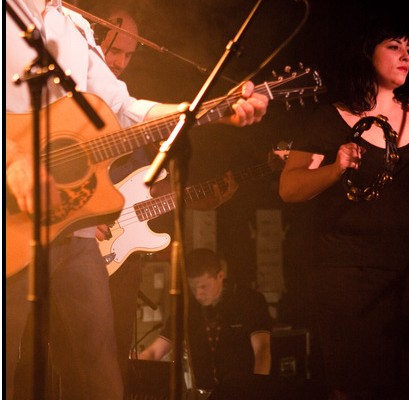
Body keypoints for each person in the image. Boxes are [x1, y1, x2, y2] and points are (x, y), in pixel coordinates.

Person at [5, 0, 269, 399]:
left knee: (100, 378)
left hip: (73, 234)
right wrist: (13, 157)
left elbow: (123, 109)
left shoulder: (74, 25)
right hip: (13, 228)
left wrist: (202, 112)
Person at [278, 15, 409, 400]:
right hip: (349, 275)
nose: (406, 55)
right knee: (354, 383)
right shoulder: (329, 119)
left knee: (408, 383)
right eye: (394, 47)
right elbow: (290, 188)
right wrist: (334, 167)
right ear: (366, 55)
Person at [90, 6, 241, 392]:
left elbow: (147, 185)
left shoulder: (122, 103)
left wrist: (189, 198)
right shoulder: (69, 98)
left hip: (122, 258)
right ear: (90, 39)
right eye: (114, 51)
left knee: (114, 352)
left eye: (129, 54)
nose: (120, 62)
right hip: (76, 242)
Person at [139, 248, 273, 397]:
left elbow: (262, 351)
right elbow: (156, 351)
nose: (198, 294)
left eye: (204, 286)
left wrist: (258, 391)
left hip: (243, 392)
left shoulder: (248, 301)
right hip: (203, 394)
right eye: (193, 287)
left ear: (220, 276)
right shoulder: (187, 309)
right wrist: (135, 368)